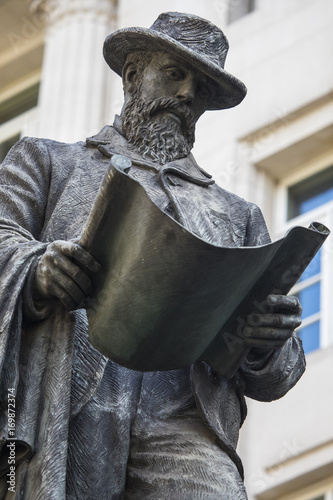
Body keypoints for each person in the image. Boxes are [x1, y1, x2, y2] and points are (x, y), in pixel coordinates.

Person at [0, 12, 304, 500]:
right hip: (72, 401)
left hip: (185, 423)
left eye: (201, 89)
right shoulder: (48, 161)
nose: (187, 95)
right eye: (175, 74)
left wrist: (266, 342)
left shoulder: (237, 215)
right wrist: (38, 267)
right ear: (133, 75)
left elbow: (279, 374)